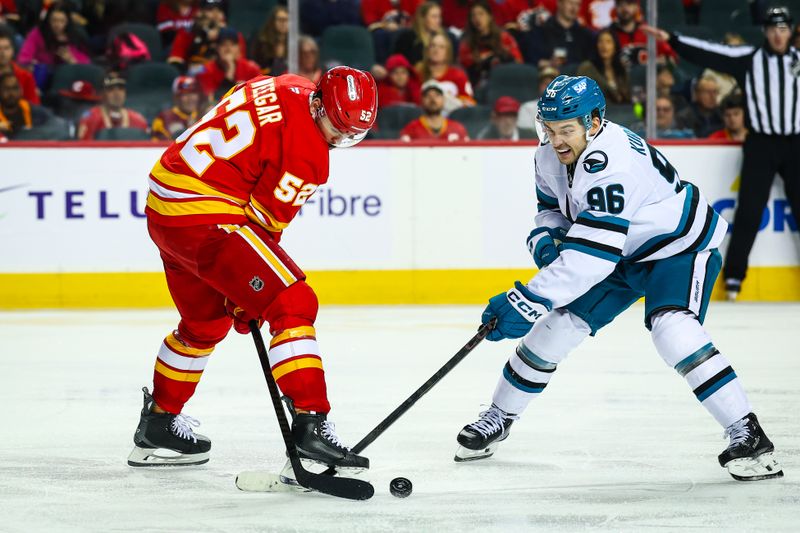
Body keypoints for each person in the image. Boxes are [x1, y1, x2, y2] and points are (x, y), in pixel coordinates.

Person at [454, 75, 783, 483]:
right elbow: (552, 211)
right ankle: (499, 416)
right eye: (549, 128)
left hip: (675, 248)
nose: (556, 141)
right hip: (618, 251)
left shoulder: (610, 161)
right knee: (554, 329)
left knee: (673, 331)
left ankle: (748, 435)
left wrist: (527, 299)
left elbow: (592, 256)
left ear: (593, 123)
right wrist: (546, 239)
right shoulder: (547, 155)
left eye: (567, 129)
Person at [128, 66, 378, 475]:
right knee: (293, 302)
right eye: (337, 128)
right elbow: (262, 229)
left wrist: (243, 289)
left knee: (203, 325)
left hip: (165, 205)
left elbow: (237, 99)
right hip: (206, 218)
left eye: (354, 134)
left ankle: (159, 422)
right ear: (317, 105)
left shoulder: (288, 84)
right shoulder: (309, 156)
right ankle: (311, 424)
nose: (340, 140)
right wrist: (251, 296)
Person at [644, 6, 800, 300]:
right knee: (749, 210)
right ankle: (734, 278)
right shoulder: (750, 60)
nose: (778, 35)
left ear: (790, 31)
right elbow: (711, 53)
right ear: (765, 32)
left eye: (784, 29)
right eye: (773, 29)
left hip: (796, 143)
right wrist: (673, 39)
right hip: (762, 143)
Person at [168, 0, 246, 75]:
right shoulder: (187, 33)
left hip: (224, 76)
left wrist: (221, 36)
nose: (215, 15)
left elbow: (240, 65)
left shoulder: (234, 36)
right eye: (210, 10)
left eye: (220, 11)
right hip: (195, 77)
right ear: (200, 12)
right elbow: (175, 61)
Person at [457, 1, 523, 89]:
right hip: (480, 84)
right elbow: (465, 67)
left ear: (490, 16)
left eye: (481, 14)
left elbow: (518, 61)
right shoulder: (466, 42)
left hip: (507, 79)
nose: (477, 18)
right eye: (473, 15)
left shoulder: (504, 37)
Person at [17, 1, 89, 76]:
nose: (58, 25)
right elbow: (23, 57)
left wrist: (71, 60)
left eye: (62, 21)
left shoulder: (74, 36)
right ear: (48, 20)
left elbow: (86, 64)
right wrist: (32, 63)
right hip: (43, 73)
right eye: (54, 20)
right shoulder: (37, 33)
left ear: (67, 21)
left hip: (66, 75)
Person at [524, 0, 594, 69]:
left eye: (577, 4)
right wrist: (549, 63)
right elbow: (531, 60)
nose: (574, 8)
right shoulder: (541, 32)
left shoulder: (585, 35)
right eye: (570, 3)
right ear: (559, 3)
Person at [415, 32, 475, 114]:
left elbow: (469, 103)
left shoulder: (458, 75)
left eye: (441, 47)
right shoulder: (417, 73)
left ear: (448, 52)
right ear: (427, 50)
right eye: (433, 46)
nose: (436, 50)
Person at [77, 74, 148, 140]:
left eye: (121, 89)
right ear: (102, 93)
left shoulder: (138, 120)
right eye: (111, 89)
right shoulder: (90, 118)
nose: (116, 93)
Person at [196, 28, 262, 99]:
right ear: (217, 48)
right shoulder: (206, 71)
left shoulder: (251, 68)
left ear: (238, 48)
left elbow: (261, 94)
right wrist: (230, 72)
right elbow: (212, 102)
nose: (228, 49)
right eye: (224, 45)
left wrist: (247, 89)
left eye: (232, 45)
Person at [607, 0, 675, 67]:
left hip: (649, 76)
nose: (625, 8)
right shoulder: (608, 34)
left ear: (636, 7)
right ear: (615, 7)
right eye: (620, 4)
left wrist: (659, 62)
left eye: (629, 4)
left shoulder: (649, 31)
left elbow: (672, 58)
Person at [399, 79, 468, 141]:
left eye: (437, 95)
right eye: (428, 96)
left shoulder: (457, 128)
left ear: (444, 100)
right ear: (421, 101)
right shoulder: (411, 129)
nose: (432, 99)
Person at [577, 28, 630, 103]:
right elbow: (582, 97)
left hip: (621, 112)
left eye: (608, 42)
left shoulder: (621, 68)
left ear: (615, 47)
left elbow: (627, 96)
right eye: (600, 42)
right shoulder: (587, 68)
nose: (604, 46)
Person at [393, 2, 454, 66]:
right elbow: (399, 64)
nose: (438, 20)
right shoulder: (407, 38)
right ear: (422, 18)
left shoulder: (446, 37)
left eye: (439, 16)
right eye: (434, 17)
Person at [0, 71, 50, 138]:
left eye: (15, 88)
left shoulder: (36, 112)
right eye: (6, 89)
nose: (11, 93)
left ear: (21, 90)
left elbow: (57, 128)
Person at [151, 76, 202, 141]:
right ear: (176, 97)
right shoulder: (163, 118)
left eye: (193, 93)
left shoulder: (205, 115)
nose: (190, 98)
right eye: (185, 94)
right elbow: (156, 148)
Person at [0, 30, 38, 104]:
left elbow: (33, 104)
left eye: (6, 48)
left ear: (12, 50)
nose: (2, 53)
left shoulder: (25, 75)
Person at [249, 5, 288, 76]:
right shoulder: (261, 41)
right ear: (273, 21)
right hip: (265, 79)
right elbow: (254, 65)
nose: (284, 23)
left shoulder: (294, 43)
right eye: (280, 20)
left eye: (287, 20)